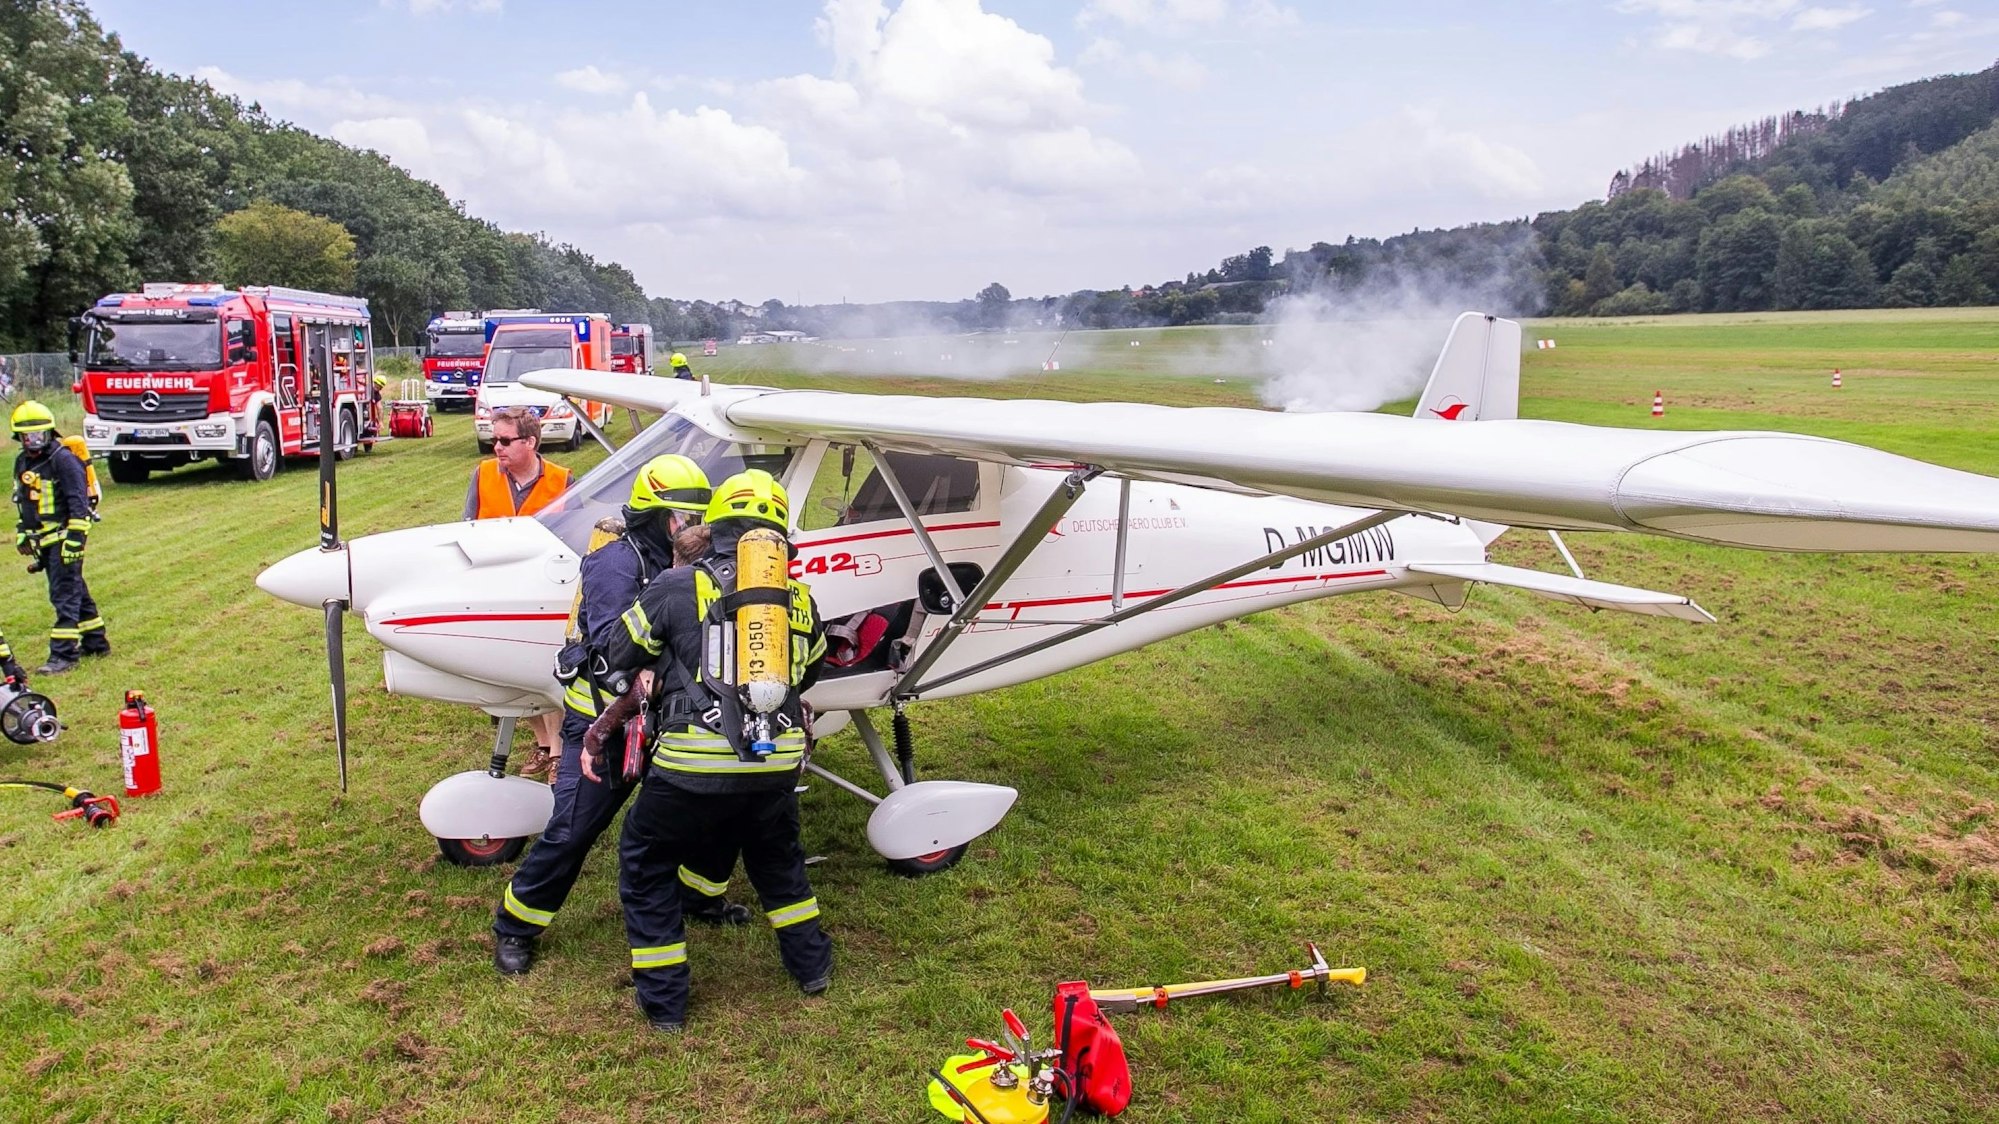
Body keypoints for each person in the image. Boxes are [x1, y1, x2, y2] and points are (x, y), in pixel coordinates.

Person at [492, 455, 751, 976]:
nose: (693, 529)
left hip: (667, 722)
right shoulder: (618, 564)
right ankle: (516, 926)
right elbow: (615, 650)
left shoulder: (688, 566)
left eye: (701, 519)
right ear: (656, 517)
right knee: (573, 829)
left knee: (719, 811)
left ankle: (695, 898)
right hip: (603, 727)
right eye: (683, 518)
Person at [595, 469, 831, 1032]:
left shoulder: (678, 586)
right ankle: (812, 969)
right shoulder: (796, 598)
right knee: (779, 863)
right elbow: (813, 671)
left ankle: (665, 1002)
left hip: (690, 766)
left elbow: (620, 649)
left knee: (646, 863)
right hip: (774, 763)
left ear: (714, 527)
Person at [463, 406, 572, 777]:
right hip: (499, 593)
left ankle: (558, 755)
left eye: (506, 440)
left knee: (548, 669)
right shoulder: (482, 476)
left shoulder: (562, 480)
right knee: (511, 673)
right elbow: (467, 531)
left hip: (545, 595)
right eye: (495, 439)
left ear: (530, 442)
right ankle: (543, 744)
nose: (497, 447)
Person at [11, 402, 106, 674]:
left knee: (63, 594)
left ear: (50, 432)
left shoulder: (63, 460)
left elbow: (78, 504)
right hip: (43, 540)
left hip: (64, 538)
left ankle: (63, 656)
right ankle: (96, 641)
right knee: (75, 589)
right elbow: (24, 502)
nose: (33, 441)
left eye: (38, 435)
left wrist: (75, 541)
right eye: (27, 437)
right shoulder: (23, 461)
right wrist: (22, 532)